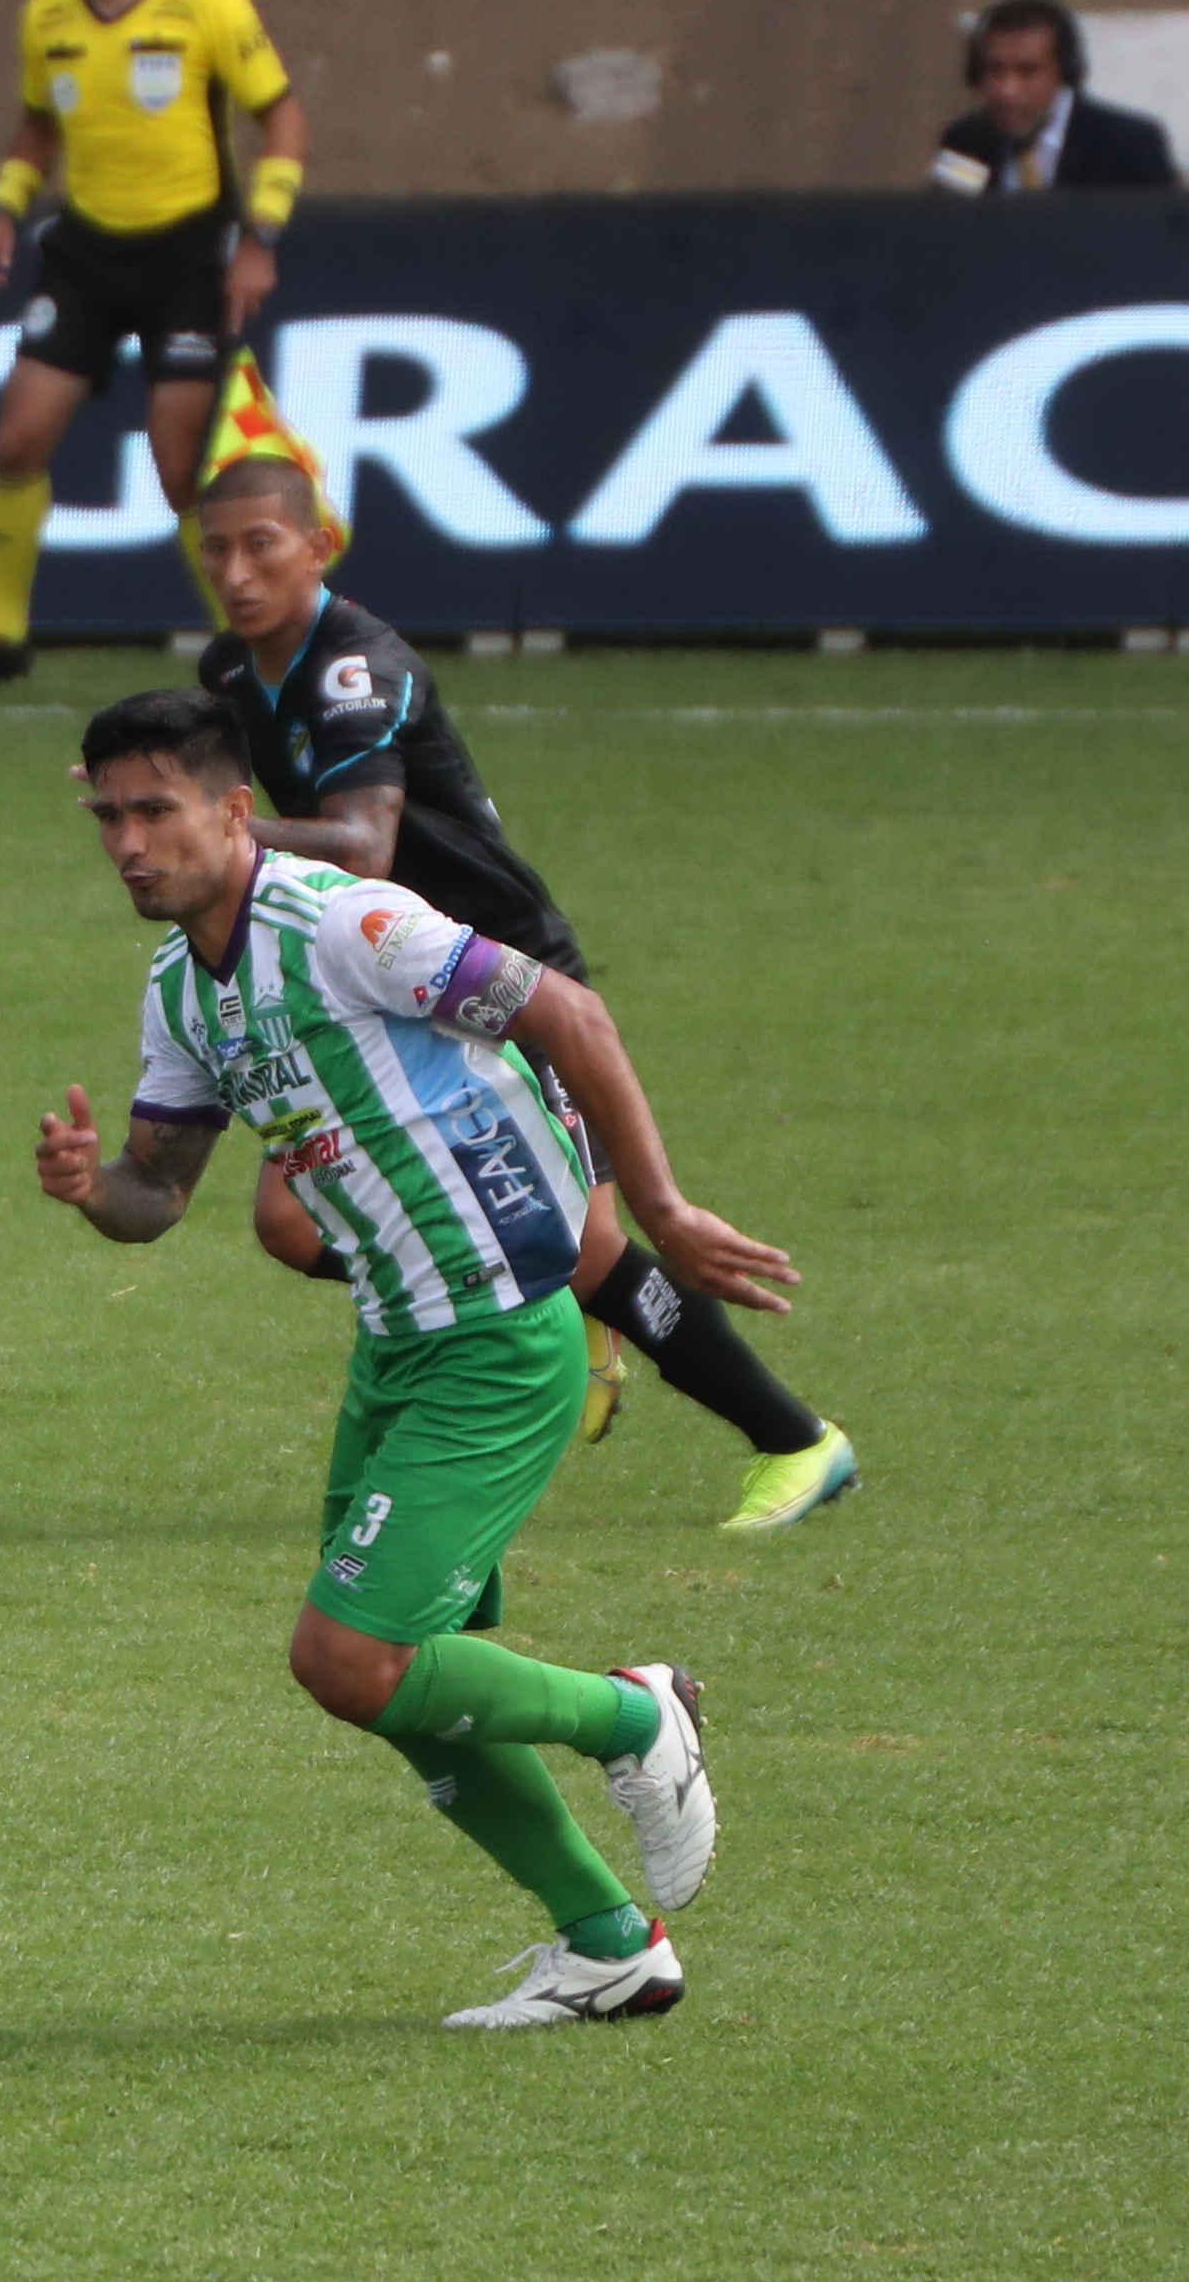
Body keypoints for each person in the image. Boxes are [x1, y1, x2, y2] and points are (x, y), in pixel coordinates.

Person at [31, 691, 786, 2028]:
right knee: (405, 1687)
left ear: (234, 809)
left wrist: (662, 1214)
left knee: (347, 1659)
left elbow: (571, 1016)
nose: (130, 844)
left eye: (156, 811)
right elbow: (160, 1192)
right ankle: (611, 1945)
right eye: (110, 817)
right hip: (396, 1348)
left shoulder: (344, 924)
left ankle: (636, 1715)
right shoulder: (182, 992)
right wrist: (95, 1190)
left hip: (500, 1340)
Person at [186, 454, 862, 1532]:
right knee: (288, 1220)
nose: (235, 571)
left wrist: (212, 831)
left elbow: (362, 849)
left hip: (497, 971)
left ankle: (799, 1441)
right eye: (216, 549)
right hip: (384, 977)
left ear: (319, 547)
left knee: (590, 1251)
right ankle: (551, 1295)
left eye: (260, 545)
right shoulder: (230, 669)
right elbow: (201, 777)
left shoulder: (359, 668)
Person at [0, 0, 304, 706]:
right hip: (86, 256)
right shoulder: (46, 16)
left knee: (178, 469)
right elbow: (38, 128)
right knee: (16, 442)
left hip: (188, 258)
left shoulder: (209, 4)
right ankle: (1, 636)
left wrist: (261, 235)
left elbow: (280, 117)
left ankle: (248, 652)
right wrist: (2, 209)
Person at [930, 0, 1176, 193]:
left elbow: (1158, 235)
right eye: (995, 71)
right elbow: (948, 227)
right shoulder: (964, 143)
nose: (1007, 91)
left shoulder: (1129, 146)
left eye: (1028, 72)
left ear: (1065, 72)